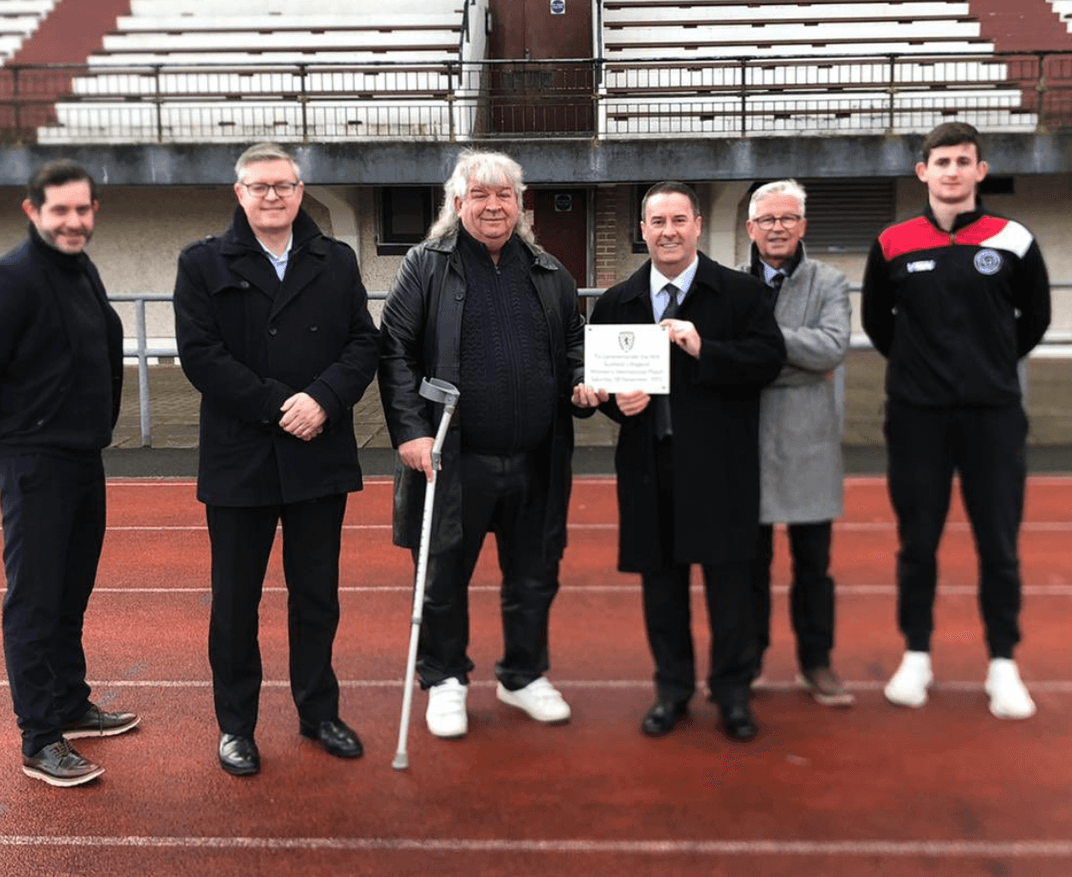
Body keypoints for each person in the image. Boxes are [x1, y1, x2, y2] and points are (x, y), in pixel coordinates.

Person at [173, 142, 380, 776]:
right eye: (260, 186)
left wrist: (322, 399)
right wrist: (279, 404)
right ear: (239, 193)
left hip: (318, 452)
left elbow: (361, 343)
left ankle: (319, 712)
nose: (272, 196)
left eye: (284, 185)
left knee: (317, 596)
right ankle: (236, 726)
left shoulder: (336, 260)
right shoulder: (202, 263)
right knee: (235, 603)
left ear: (299, 191)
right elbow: (201, 357)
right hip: (242, 458)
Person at [378, 149, 585, 740]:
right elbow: (395, 350)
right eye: (481, 195)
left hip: (537, 460)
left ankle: (522, 676)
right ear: (457, 203)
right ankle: (445, 679)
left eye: (505, 196)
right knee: (442, 575)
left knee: (534, 575)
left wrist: (583, 381)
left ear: (521, 205)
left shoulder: (549, 271)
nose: (494, 206)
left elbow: (574, 345)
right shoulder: (426, 265)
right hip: (453, 460)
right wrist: (412, 432)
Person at [0, 159, 139, 788]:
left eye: (83, 210)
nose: (74, 221)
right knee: (34, 599)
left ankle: (69, 704)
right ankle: (39, 737)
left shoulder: (79, 269)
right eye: (60, 211)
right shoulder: (12, 278)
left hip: (83, 455)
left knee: (70, 590)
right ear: (33, 212)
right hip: (35, 462)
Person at [860, 121, 1051, 720]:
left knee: (999, 544)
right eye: (940, 162)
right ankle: (916, 655)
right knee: (918, 543)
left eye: (962, 161)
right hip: (918, 419)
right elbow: (877, 324)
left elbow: (1035, 320)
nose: (951, 171)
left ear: (980, 170)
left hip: (993, 417)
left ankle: (1003, 665)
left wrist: (987, 367)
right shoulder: (893, 241)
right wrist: (923, 372)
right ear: (923, 172)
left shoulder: (1013, 238)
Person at [582, 182, 786, 742]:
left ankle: (732, 694)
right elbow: (605, 389)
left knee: (731, 590)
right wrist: (617, 404)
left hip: (721, 470)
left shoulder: (741, 295)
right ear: (642, 230)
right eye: (657, 222)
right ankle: (671, 691)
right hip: (651, 470)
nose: (668, 231)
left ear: (698, 225)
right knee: (662, 590)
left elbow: (770, 360)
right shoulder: (617, 301)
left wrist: (704, 349)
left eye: (679, 220)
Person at [739, 180, 854, 706]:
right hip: (747, 433)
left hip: (809, 435)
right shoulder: (730, 282)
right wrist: (793, 359)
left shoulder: (830, 281)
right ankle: (749, 658)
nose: (777, 227)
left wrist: (762, 348)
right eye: (767, 219)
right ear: (751, 228)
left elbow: (831, 348)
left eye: (787, 218)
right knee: (749, 563)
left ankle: (816, 662)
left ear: (803, 225)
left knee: (814, 564)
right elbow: (720, 352)